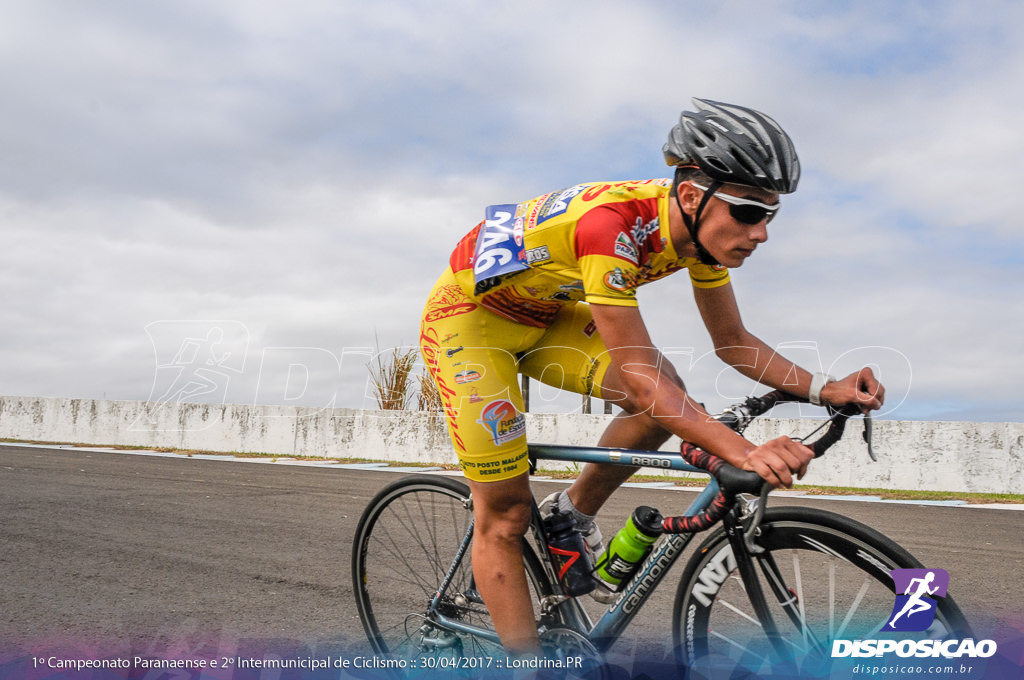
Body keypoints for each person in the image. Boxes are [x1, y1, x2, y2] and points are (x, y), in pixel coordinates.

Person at [419, 98, 885, 657]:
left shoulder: (701, 237)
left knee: (666, 394)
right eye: (747, 212)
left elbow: (733, 343)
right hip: (471, 325)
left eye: (770, 215)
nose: (761, 232)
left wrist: (822, 387)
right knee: (508, 513)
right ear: (692, 195)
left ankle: (570, 512)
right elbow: (641, 383)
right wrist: (741, 450)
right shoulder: (609, 228)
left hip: (545, 314)